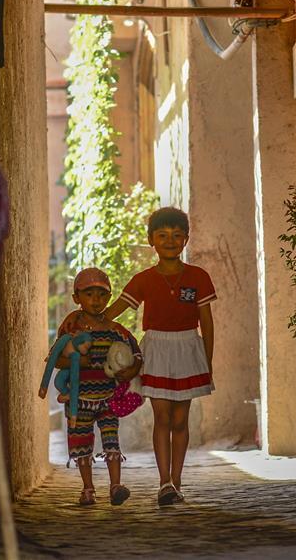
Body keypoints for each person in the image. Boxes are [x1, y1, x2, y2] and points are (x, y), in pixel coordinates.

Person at [104, 207, 216, 506]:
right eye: (163, 235)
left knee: (181, 420)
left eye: (177, 236)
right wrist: (91, 320)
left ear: (186, 240)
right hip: (156, 348)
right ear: (151, 239)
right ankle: (164, 482)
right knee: (162, 416)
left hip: (188, 349)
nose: (170, 241)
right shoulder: (144, 279)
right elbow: (118, 308)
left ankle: (176, 482)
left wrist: (207, 361)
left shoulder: (198, 277)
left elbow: (206, 322)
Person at [52, 267, 142, 507]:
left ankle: (115, 486)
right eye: (89, 294)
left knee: (111, 440)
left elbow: (136, 353)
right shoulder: (71, 329)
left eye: (102, 295)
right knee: (82, 443)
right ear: (76, 298)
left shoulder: (115, 330)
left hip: (108, 398)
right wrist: (75, 361)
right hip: (78, 399)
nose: (96, 300)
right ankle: (88, 489)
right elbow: (54, 358)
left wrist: (131, 371)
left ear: (109, 298)